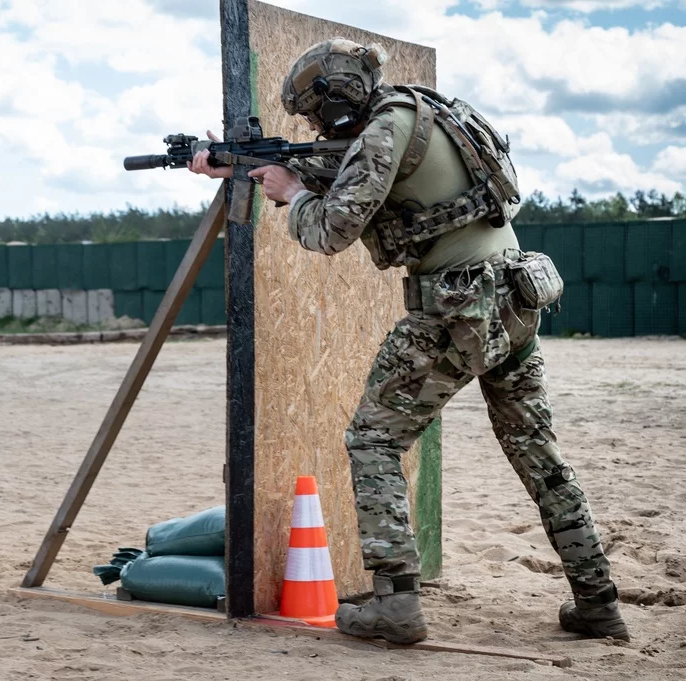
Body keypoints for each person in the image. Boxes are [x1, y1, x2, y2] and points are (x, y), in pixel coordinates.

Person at [186, 38, 629, 645]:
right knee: (536, 452)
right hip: (514, 294)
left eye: (316, 113)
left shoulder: (381, 133)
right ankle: (599, 601)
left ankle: (395, 604)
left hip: (457, 308)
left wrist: (292, 193)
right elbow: (369, 177)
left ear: (336, 101)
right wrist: (249, 166)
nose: (315, 126)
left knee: (372, 439)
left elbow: (332, 229)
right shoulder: (423, 109)